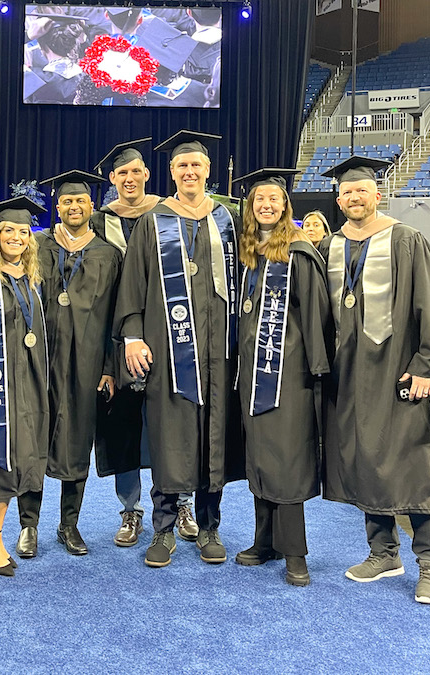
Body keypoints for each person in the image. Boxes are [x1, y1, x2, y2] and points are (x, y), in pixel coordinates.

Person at [319, 156, 430, 605]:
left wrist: (428, 366)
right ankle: (383, 553)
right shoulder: (331, 245)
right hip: (348, 374)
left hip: (399, 372)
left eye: (361, 190)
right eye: (346, 192)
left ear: (376, 193)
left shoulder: (406, 240)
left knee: (413, 465)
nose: (353, 197)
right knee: (364, 457)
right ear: (338, 197)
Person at [114, 130, 242, 568]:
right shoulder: (154, 222)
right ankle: (164, 529)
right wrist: (133, 336)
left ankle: (209, 527)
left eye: (197, 166)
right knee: (170, 438)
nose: (190, 172)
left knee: (212, 437)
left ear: (207, 171)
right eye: (182, 165)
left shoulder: (226, 220)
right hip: (170, 353)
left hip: (218, 353)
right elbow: (133, 284)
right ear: (171, 172)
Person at [90, 139, 199, 547]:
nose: (130, 178)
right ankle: (130, 509)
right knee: (124, 424)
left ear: (148, 174)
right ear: (113, 178)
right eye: (122, 173)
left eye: (136, 171)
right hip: (116, 337)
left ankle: (179, 501)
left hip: (172, 330)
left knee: (175, 420)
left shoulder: (171, 213)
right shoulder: (102, 221)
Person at [233, 168, 333, 586]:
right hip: (252, 373)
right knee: (260, 456)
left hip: (288, 375)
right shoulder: (249, 251)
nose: (266, 205)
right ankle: (265, 540)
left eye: (274, 199)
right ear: (251, 208)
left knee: (288, 461)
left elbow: (315, 314)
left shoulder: (299, 251)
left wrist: (316, 369)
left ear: (285, 206)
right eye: (259, 201)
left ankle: (295, 553)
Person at [13, 170, 121, 557]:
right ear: (57, 207)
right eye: (66, 202)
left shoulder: (109, 254)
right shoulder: (37, 245)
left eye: (80, 202)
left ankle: (69, 524)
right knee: (33, 437)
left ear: (91, 207)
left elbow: (115, 316)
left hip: (87, 361)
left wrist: (110, 366)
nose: (74, 207)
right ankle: (28, 525)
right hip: (39, 359)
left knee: (77, 441)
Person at [0, 195, 49, 576]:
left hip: (30, 381)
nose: (16, 237)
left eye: (22, 231)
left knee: (24, 456)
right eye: (8, 231)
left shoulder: (33, 278)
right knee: (3, 455)